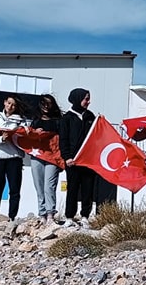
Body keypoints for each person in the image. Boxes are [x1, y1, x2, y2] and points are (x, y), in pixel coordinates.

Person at [0, 95, 28, 220]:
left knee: (14, 189)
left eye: (13, 105)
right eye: (9, 103)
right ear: (4, 103)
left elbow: (24, 140)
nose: (10, 106)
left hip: (14, 158)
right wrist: (1, 139)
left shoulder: (21, 121)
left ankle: (12, 216)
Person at [59, 88, 97, 224]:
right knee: (72, 188)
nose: (88, 102)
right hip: (72, 161)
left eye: (88, 98)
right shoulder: (67, 118)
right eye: (86, 99)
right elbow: (63, 140)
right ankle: (69, 217)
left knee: (88, 189)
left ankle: (85, 216)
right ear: (77, 99)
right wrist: (67, 157)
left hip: (88, 160)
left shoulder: (91, 117)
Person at [30, 94, 63, 223]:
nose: (46, 106)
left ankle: (50, 214)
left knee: (49, 185)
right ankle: (41, 213)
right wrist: (34, 133)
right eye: (44, 103)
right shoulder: (35, 120)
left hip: (53, 156)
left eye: (49, 103)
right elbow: (29, 136)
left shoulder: (58, 121)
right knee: (39, 185)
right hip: (37, 155)